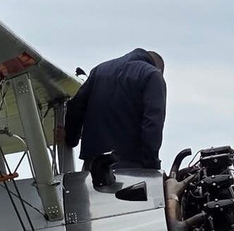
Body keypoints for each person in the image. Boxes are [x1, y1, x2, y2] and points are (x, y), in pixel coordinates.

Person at [64, 49, 167, 180]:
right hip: (132, 169)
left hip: (93, 168)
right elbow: (153, 124)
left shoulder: (99, 71)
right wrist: (152, 167)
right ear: (159, 68)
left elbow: (76, 106)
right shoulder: (152, 75)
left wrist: (71, 139)